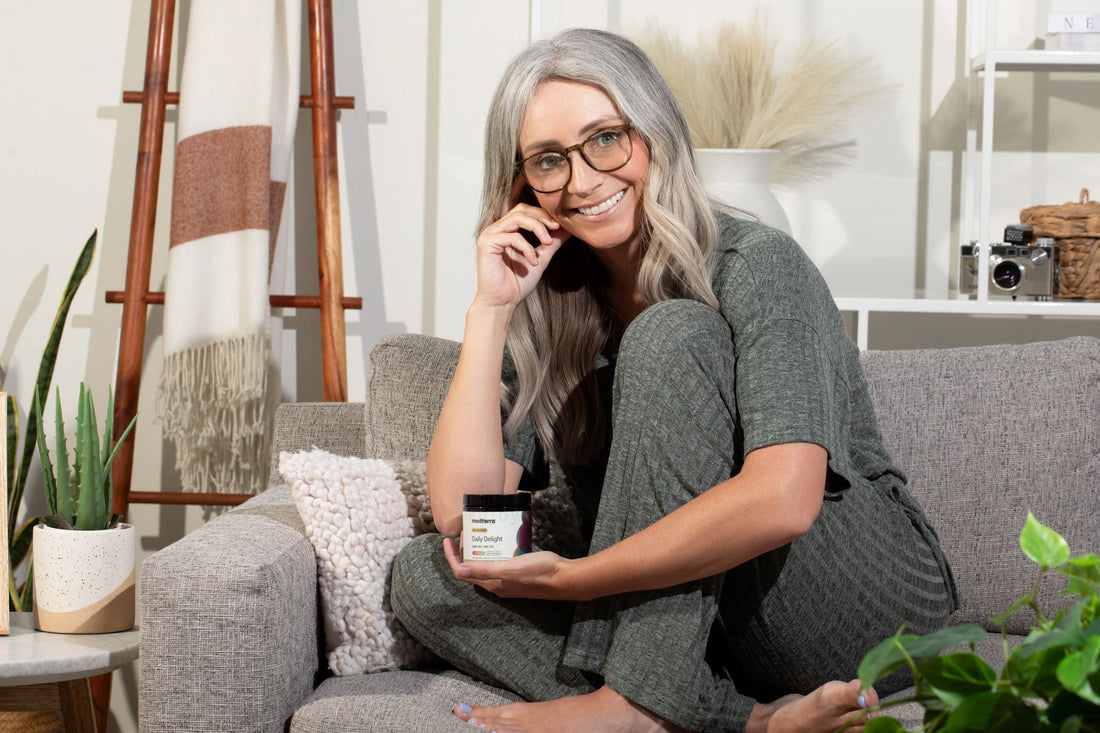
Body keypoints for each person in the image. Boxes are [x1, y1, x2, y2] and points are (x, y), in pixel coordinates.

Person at [389, 27, 957, 733]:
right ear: (521, 186)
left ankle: (634, 705)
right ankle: (743, 717)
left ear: (655, 131)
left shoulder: (757, 263)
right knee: (427, 577)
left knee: (672, 331)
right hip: (707, 622)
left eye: (605, 139)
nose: (583, 180)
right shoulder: (550, 303)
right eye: (548, 160)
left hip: (860, 598)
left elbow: (786, 501)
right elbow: (469, 521)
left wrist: (581, 577)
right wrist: (492, 310)